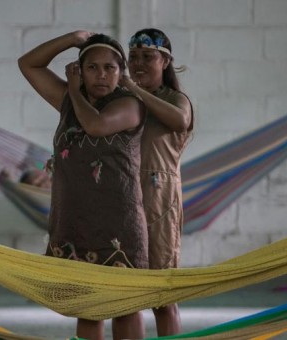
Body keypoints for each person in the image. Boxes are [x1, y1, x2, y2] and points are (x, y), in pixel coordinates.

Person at [18, 31, 148, 340]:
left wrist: (74, 91)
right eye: (92, 67)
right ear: (79, 69)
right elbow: (28, 65)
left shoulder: (131, 104)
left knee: (124, 306)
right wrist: (72, 38)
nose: (101, 75)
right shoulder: (67, 101)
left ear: (121, 72)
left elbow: (96, 125)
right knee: (87, 306)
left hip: (119, 222)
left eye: (110, 68)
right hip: (74, 220)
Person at [120, 28, 194, 336]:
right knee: (124, 293)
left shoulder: (175, 99)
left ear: (165, 62)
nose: (137, 63)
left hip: (160, 203)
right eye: (133, 57)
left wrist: (133, 90)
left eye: (147, 57)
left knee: (162, 294)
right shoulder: (123, 101)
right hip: (122, 200)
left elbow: (180, 120)